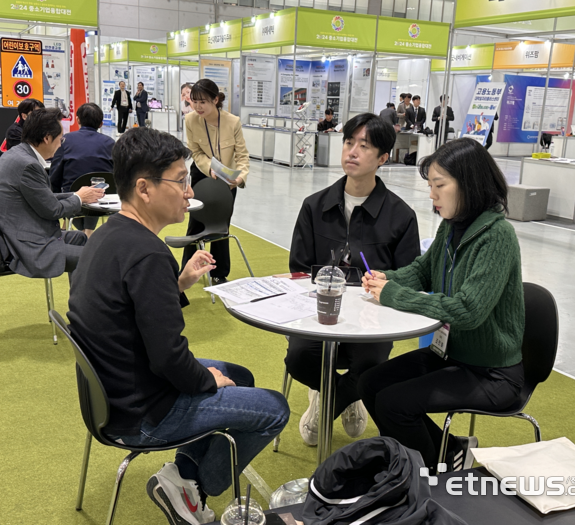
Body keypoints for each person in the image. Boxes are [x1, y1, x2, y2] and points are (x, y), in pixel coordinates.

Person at [67, 127, 289, 525]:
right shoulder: (148, 255)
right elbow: (169, 357)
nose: (189, 192)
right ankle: (192, 487)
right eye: (181, 181)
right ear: (144, 188)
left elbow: (129, 310)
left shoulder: (110, 237)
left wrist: (179, 282)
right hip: (142, 412)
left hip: (112, 390)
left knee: (240, 374)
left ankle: (181, 476)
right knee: (274, 409)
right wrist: (206, 381)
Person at [358, 138, 525, 473]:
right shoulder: (451, 227)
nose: (432, 194)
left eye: (440, 185)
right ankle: (445, 455)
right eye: (430, 185)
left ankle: (430, 478)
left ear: (469, 185)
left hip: (492, 373)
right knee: (369, 384)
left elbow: (468, 311)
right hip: (451, 356)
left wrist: (392, 293)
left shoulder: (497, 236)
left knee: (394, 404)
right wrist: (385, 278)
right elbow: (423, 271)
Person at [287, 113, 421, 447]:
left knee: (373, 364)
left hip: (372, 319)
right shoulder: (314, 206)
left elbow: (408, 278)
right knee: (299, 358)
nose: (352, 151)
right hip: (319, 313)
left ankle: (330, 400)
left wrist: (382, 289)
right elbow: (299, 269)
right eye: (349, 142)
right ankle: (344, 392)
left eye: (364, 146)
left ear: (383, 158)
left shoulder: (401, 216)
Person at [0, 108, 104, 279]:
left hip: (9, 235)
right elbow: (52, 210)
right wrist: (79, 198)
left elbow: (43, 198)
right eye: (60, 139)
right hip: (21, 246)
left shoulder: (17, 154)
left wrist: (76, 195)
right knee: (96, 257)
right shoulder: (28, 166)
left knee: (80, 238)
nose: (61, 144)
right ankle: (85, 305)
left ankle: (80, 303)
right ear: (47, 138)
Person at [182, 79, 249, 285]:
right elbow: (196, 151)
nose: (197, 106)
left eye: (203, 102)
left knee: (222, 225)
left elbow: (242, 156)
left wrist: (239, 177)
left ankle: (220, 272)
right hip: (203, 173)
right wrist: (209, 168)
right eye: (194, 101)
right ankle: (186, 269)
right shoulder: (190, 120)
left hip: (229, 179)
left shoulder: (233, 122)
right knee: (196, 222)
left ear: (216, 100)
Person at [49, 103, 115, 236]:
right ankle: (87, 233)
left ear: (77, 119)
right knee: (95, 189)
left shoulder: (65, 141)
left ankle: (84, 233)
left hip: (72, 199)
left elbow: (55, 174)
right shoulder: (111, 143)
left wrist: (53, 196)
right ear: (101, 124)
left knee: (81, 191)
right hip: (105, 200)